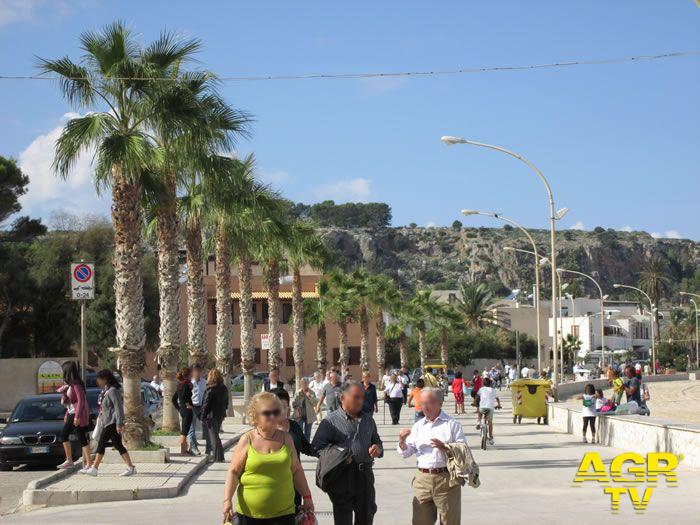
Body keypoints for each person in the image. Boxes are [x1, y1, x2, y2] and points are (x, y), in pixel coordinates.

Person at [222, 392, 314, 524]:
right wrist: (227, 501)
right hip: (250, 516)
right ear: (255, 416)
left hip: (284, 514)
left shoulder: (286, 438)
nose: (272, 416)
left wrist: (307, 497)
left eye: (275, 412)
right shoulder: (247, 440)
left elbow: (296, 470)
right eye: (267, 413)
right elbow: (233, 472)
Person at [312, 381, 383, 525]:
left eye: (362, 397)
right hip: (342, 476)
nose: (360, 401)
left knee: (366, 517)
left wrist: (378, 448)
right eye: (356, 397)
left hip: (365, 476)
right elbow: (317, 447)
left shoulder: (368, 419)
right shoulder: (330, 421)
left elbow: (377, 441)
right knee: (343, 520)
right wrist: (340, 455)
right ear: (342, 398)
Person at [398, 388, 467, 525]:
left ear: (440, 403)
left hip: (446, 479)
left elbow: (463, 449)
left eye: (429, 403)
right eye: (422, 403)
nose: (425, 407)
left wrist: (446, 448)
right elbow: (407, 452)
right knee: (420, 521)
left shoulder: (451, 424)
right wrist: (402, 442)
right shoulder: (418, 426)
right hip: (422, 480)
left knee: (450, 521)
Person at [83, 369, 136, 476]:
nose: (98, 381)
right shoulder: (105, 391)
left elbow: (118, 408)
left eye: (99, 379)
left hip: (112, 422)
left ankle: (95, 468)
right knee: (118, 445)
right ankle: (131, 467)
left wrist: (119, 423)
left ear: (105, 379)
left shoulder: (112, 391)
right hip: (106, 422)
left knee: (101, 443)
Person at [276, 389, 318, 515]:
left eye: (283, 407)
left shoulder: (294, 426)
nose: (279, 411)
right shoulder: (263, 431)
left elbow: (305, 447)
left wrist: (323, 451)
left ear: (288, 410)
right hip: (273, 485)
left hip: (294, 483)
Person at [56, 361, 91, 470]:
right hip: (71, 413)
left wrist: (77, 416)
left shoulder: (76, 384)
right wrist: (67, 413)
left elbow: (80, 401)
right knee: (81, 438)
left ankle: (69, 460)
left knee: (63, 435)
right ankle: (89, 463)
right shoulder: (70, 385)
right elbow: (71, 402)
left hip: (75, 414)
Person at [202, 368, 229, 462]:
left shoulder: (210, 389)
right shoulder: (224, 388)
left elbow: (206, 404)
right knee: (216, 435)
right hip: (220, 415)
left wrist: (202, 416)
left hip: (211, 415)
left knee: (214, 437)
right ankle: (220, 456)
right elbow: (226, 402)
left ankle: (217, 457)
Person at [172, 367, 195, 456]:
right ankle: (183, 451)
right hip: (187, 410)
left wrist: (179, 408)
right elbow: (185, 396)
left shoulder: (180, 384)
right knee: (184, 432)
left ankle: (185, 450)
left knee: (185, 430)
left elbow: (174, 399)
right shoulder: (186, 384)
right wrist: (187, 404)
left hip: (183, 410)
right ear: (188, 374)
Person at [188, 364, 208, 456]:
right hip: (192, 407)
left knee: (206, 426)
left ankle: (209, 448)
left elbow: (206, 394)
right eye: (195, 371)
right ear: (192, 372)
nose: (197, 373)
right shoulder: (190, 382)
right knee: (192, 428)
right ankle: (193, 448)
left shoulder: (204, 382)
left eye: (199, 371)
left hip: (201, 407)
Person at [476, 377, 501, 445]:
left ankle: (478, 421)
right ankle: (491, 437)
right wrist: (499, 405)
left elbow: (477, 397)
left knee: (480, 410)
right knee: (490, 423)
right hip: (490, 408)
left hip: (482, 407)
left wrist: (475, 403)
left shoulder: (481, 389)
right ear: (490, 384)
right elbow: (497, 399)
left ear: (483, 384)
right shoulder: (493, 390)